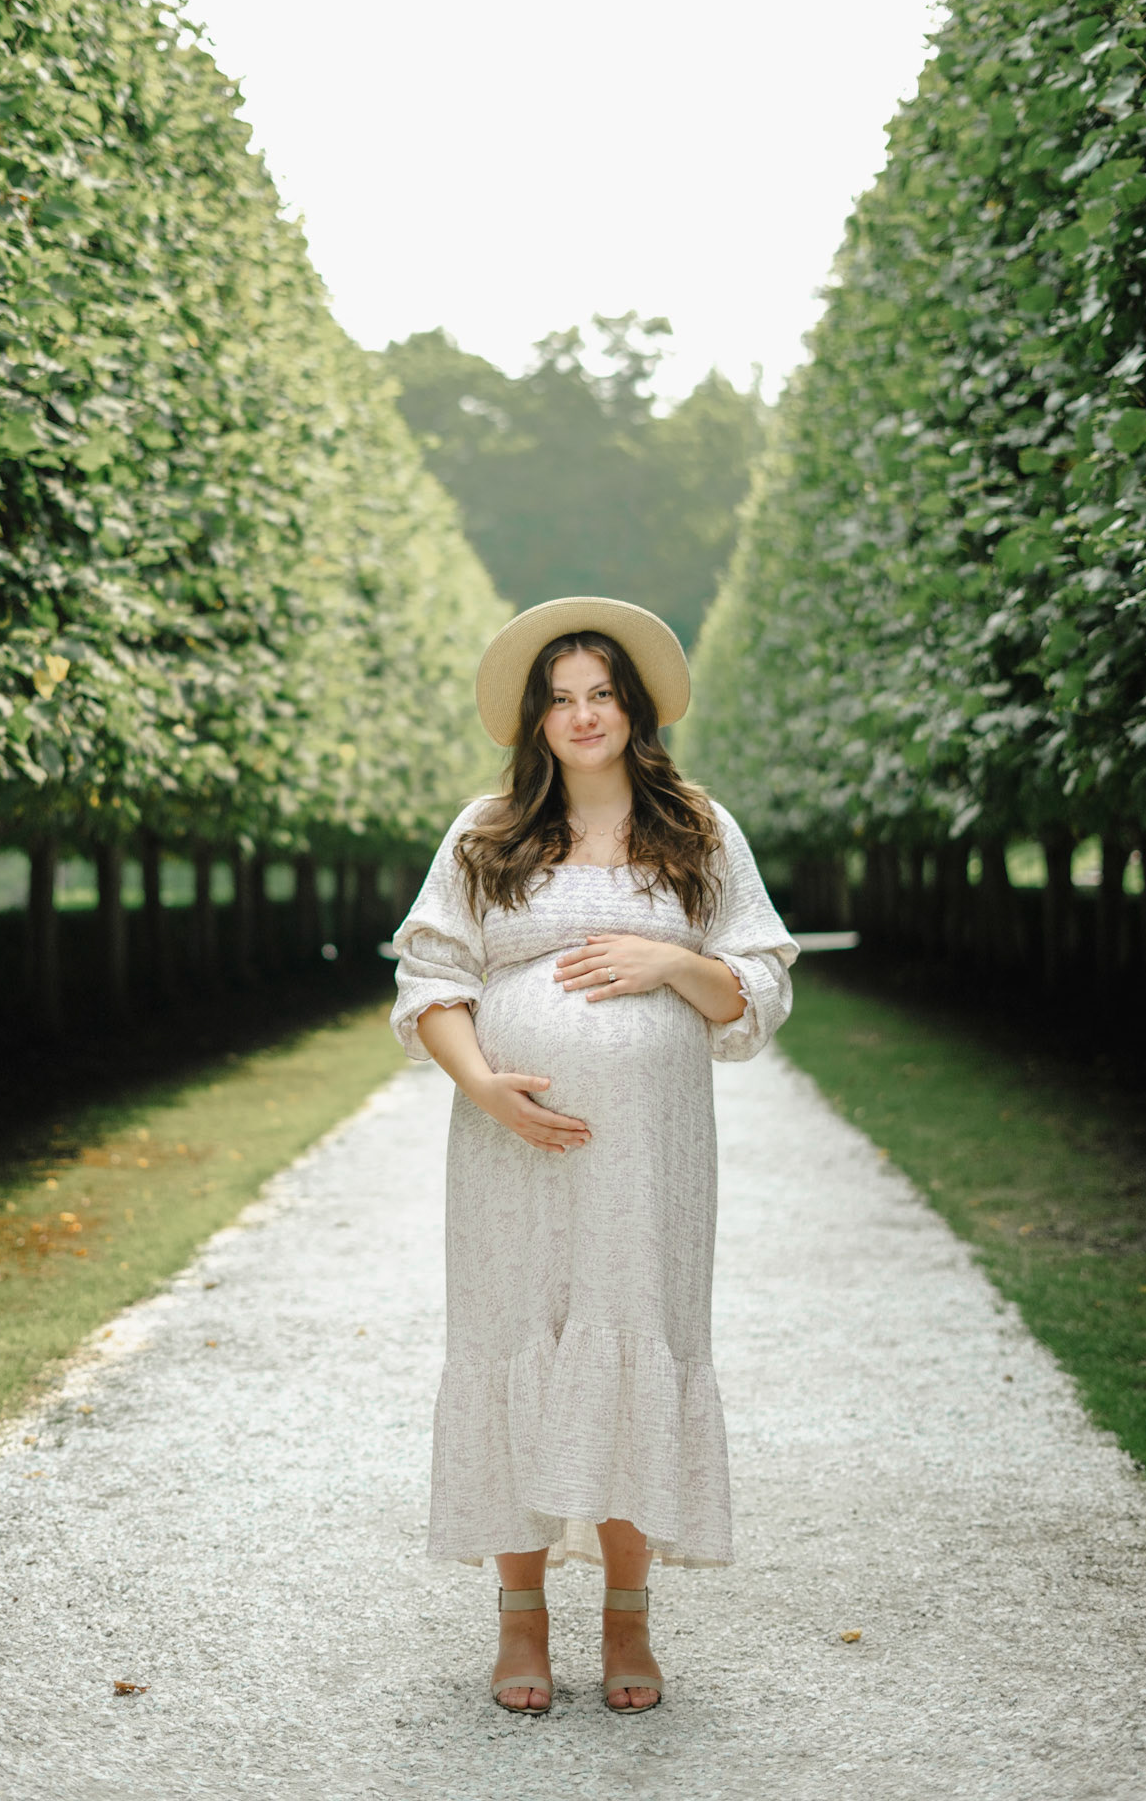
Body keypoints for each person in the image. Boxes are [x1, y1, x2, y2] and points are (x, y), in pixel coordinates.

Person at [390, 596, 798, 1714]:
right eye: (561, 699)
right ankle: (519, 1620)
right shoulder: (484, 833)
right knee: (514, 1337)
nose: (583, 715)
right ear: (536, 718)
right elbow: (431, 979)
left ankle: (628, 1619)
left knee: (632, 1342)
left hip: (651, 1159)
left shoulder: (698, 831)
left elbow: (758, 987)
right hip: (509, 1151)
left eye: (602, 695)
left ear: (634, 708)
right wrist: (485, 1086)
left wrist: (669, 961)